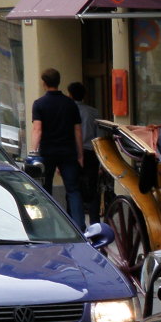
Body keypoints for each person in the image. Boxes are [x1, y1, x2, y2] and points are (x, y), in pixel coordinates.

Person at [30, 68, 84, 227]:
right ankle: (80, 226)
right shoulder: (70, 104)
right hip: (68, 151)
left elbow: (37, 130)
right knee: (73, 190)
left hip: (48, 152)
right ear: (58, 82)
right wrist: (80, 154)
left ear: (44, 83)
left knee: (46, 191)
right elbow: (78, 131)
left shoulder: (39, 104)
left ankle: (49, 224)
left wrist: (34, 153)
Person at [67, 82, 99, 224]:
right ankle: (95, 221)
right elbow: (100, 137)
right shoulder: (93, 112)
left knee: (73, 187)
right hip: (91, 153)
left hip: (72, 153)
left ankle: (74, 222)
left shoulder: (67, 111)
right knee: (92, 188)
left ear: (70, 94)